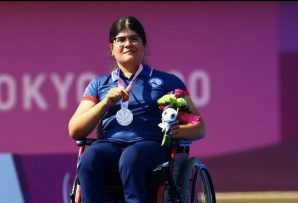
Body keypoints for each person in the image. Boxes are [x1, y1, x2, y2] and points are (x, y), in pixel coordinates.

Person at [68, 15, 206, 203]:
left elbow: (199, 127)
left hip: (151, 146)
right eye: (121, 39)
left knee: (131, 156)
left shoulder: (168, 81)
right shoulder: (99, 84)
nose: (128, 44)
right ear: (111, 47)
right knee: (90, 159)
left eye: (134, 38)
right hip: (110, 145)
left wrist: (179, 130)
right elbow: (75, 129)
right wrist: (104, 104)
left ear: (144, 45)